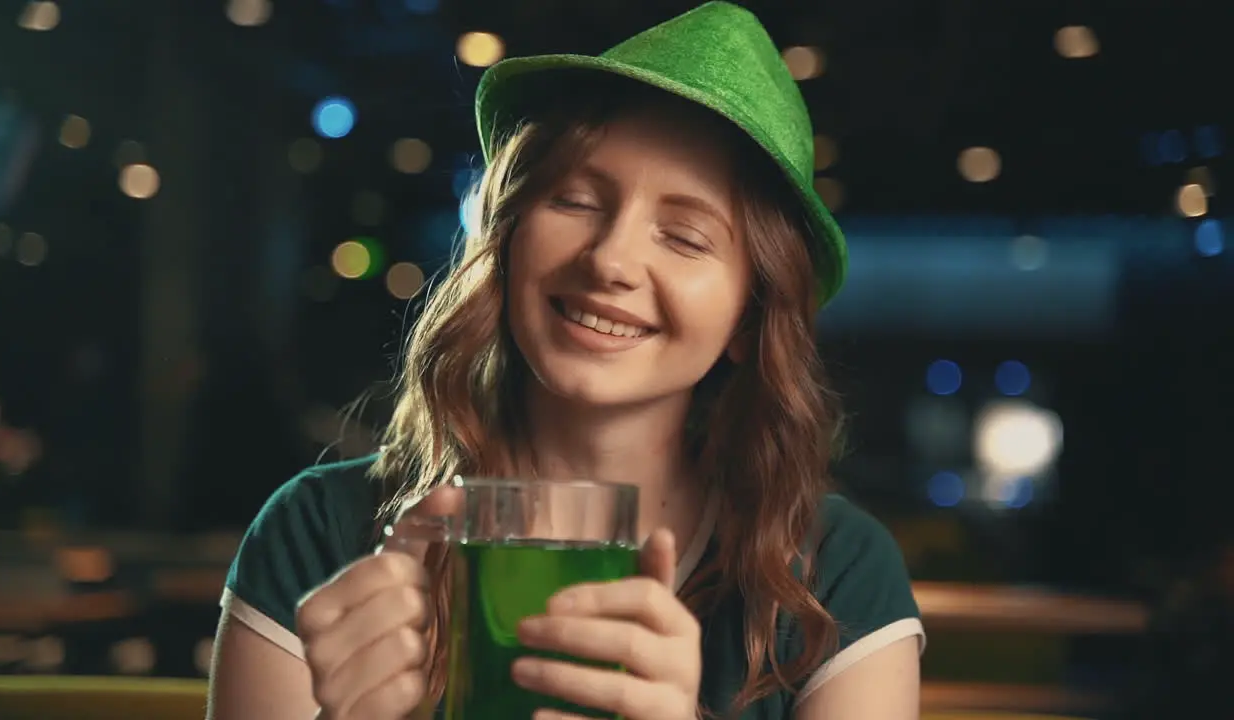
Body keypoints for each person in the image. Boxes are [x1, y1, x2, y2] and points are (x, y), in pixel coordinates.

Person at [207, 3, 924, 719]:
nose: (611, 259)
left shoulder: (837, 574)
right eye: (577, 200)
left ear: (748, 317)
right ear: (510, 238)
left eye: (683, 237)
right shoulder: (319, 531)